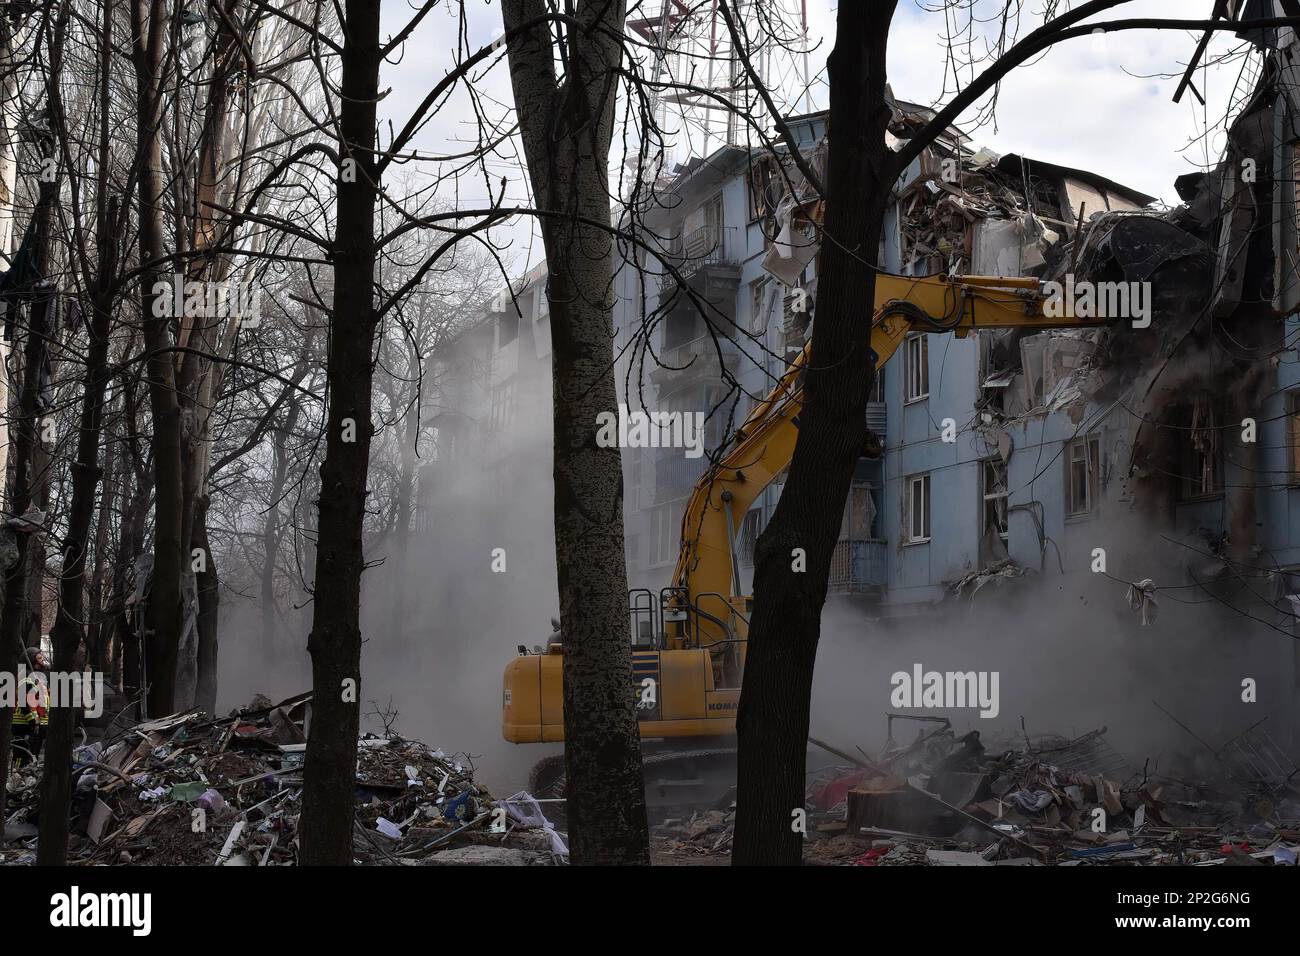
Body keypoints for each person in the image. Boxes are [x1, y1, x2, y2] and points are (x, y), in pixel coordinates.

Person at [11, 647, 50, 768]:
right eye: (39, 657)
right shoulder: (26, 676)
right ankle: (16, 779)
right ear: (32, 659)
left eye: (42, 657)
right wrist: (34, 721)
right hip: (24, 723)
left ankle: (28, 779)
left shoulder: (40, 677)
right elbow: (24, 702)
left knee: (33, 757)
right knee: (21, 756)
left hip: (38, 723)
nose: (42, 659)